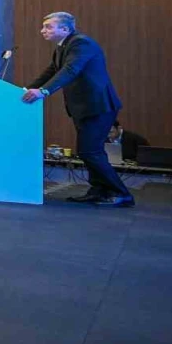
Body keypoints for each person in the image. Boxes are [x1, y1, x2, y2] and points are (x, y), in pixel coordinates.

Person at [23, 12, 132, 207]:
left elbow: (71, 70)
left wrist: (44, 91)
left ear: (65, 29)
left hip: (98, 107)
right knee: (88, 151)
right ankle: (99, 190)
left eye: (48, 27)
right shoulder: (62, 47)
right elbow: (51, 72)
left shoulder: (81, 43)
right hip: (84, 108)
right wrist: (23, 90)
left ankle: (120, 193)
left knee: (91, 151)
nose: (43, 30)